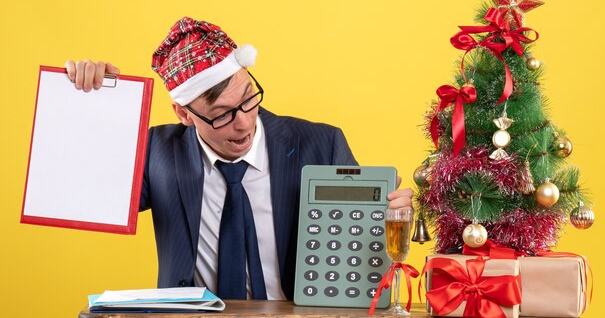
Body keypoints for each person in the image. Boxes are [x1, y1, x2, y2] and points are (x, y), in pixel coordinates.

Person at [65, 17, 413, 301]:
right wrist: (94, 103)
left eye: (249, 98)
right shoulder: (158, 150)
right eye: (221, 115)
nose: (244, 122)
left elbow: (365, 248)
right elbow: (86, 197)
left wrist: (395, 215)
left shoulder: (321, 145)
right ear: (184, 115)